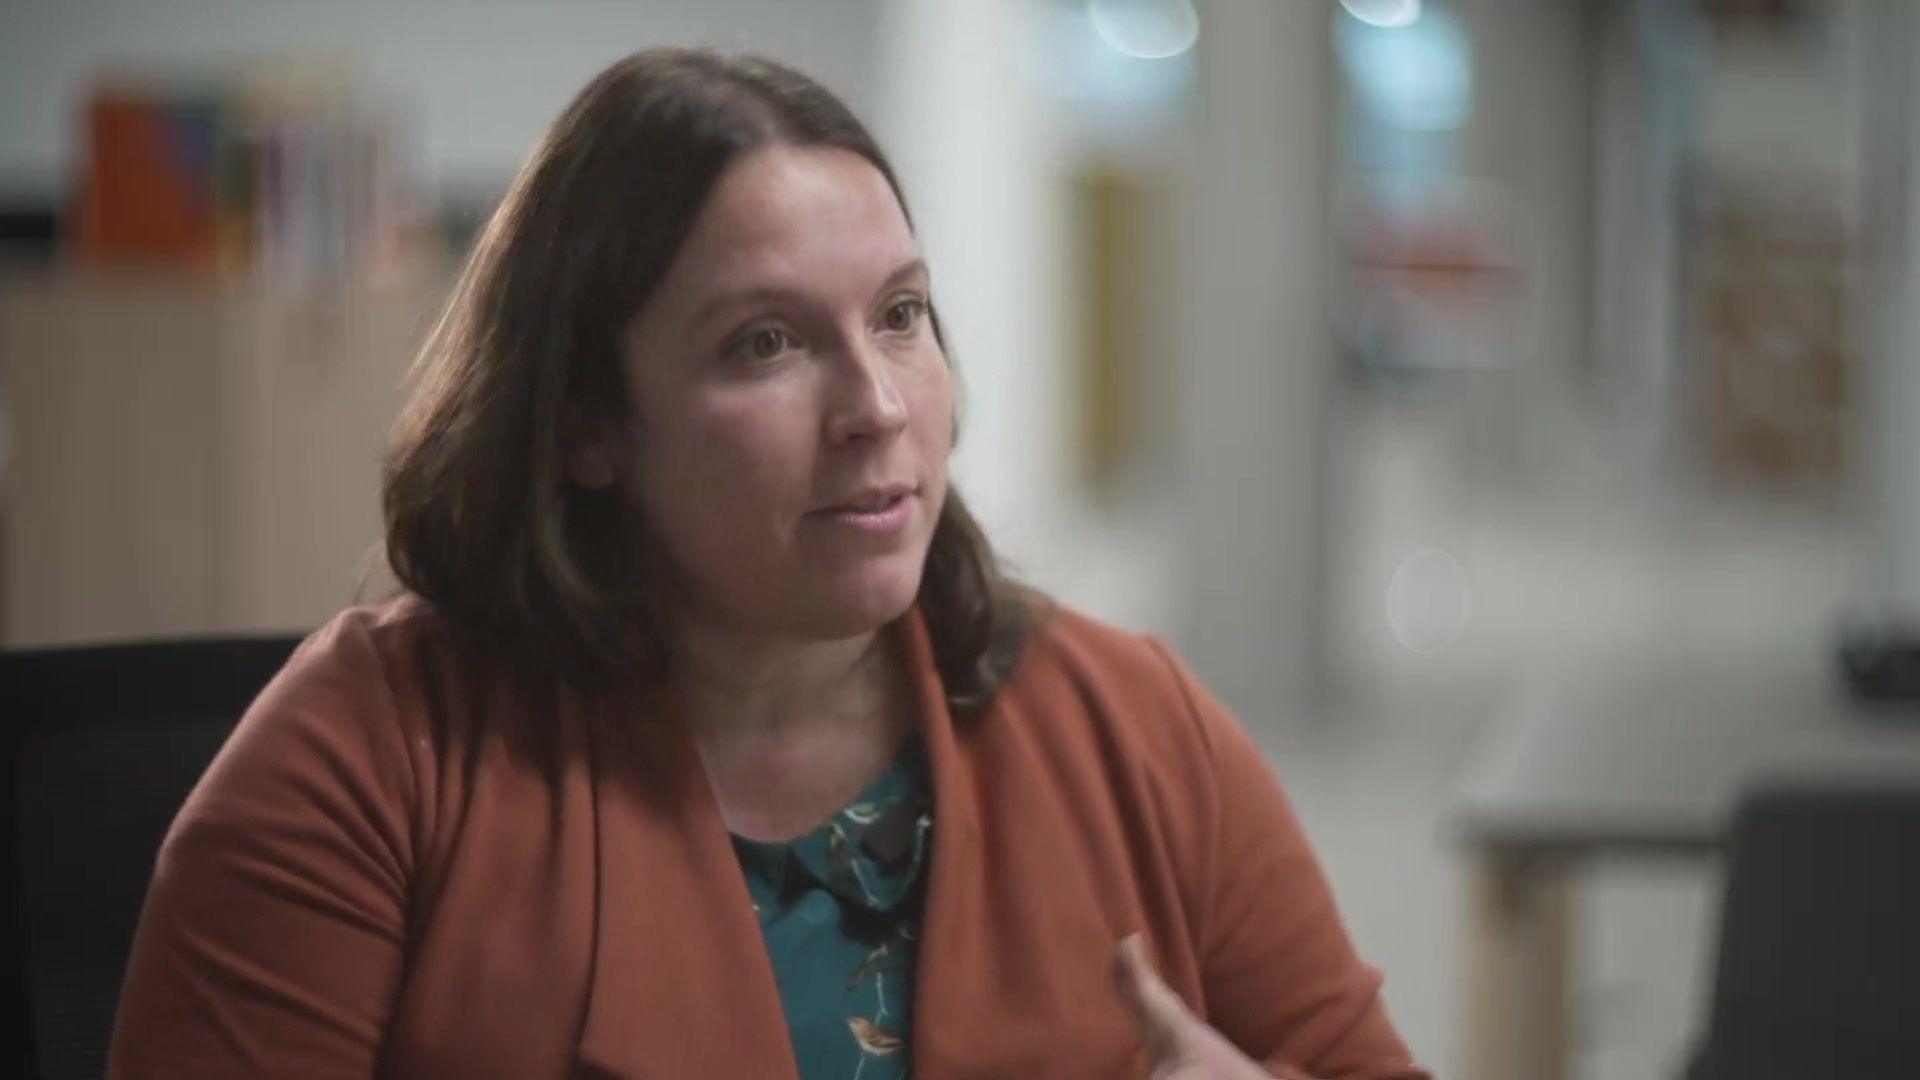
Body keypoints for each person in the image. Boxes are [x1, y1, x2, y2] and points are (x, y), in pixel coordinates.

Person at [107, 49, 1430, 1079]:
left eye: (902, 316)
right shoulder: (371, 756)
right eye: (765, 344)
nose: (877, 406)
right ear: (588, 424)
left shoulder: (1131, 725)